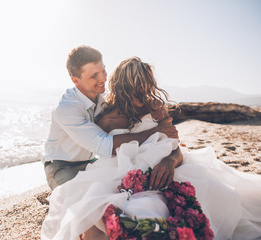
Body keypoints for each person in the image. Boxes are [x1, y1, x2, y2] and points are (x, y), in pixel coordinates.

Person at [41, 57, 261, 240]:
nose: (142, 94)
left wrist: (169, 162)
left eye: (145, 87)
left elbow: (175, 147)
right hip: (118, 172)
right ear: (121, 87)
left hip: (167, 167)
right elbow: (99, 146)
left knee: (218, 198)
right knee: (91, 216)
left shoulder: (155, 109)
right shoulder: (105, 119)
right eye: (135, 88)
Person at [43, 45, 179, 190]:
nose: (102, 78)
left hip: (90, 161)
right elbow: (105, 145)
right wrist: (158, 132)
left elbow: (171, 139)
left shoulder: (105, 100)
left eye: (103, 70)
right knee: (80, 197)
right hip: (63, 165)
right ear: (76, 80)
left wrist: (170, 157)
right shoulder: (66, 108)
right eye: (94, 75)